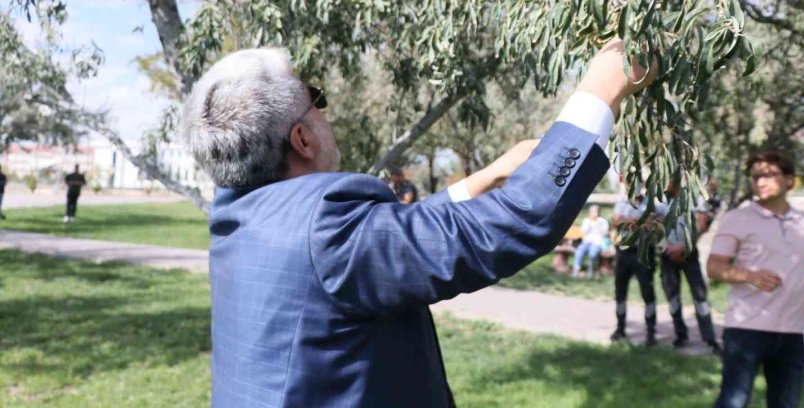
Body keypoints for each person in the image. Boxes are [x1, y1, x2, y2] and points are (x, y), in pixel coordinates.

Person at [183, 38, 653, 407]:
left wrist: (483, 179)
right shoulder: (325, 231)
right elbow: (515, 221)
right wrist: (600, 91)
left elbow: (388, 238)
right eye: (316, 99)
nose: (326, 112)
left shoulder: (237, 217)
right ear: (302, 139)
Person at [708, 151, 804, 408]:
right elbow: (714, 266)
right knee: (733, 402)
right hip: (745, 330)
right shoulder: (738, 218)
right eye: (755, 177)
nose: (760, 182)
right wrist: (749, 276)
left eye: (768, 175)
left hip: (792, 333)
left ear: (790, 180)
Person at [658, 183, 720, 353]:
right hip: (667, 255)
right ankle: (681, 336)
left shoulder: (694, 199)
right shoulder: (660, 200)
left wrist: (683, 247)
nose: (668, 182)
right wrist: (669, 247)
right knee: (672, 297)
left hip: (689, 254)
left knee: (700, 297)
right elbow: (655, 225)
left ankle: (710, 340)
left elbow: (700, 226)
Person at [610, 190, 664, 346]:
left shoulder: (653, 203)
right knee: (620, 292)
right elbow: (615, 222)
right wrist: (641, 221)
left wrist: (629, 222)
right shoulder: (622, 202)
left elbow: (654, 224)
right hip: (624, 252)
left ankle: (651, 332)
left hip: (644, 253)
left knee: (648, 293)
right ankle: (620, 329)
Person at [571, 204, 614, 278]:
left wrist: (597, 224)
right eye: (592, 211)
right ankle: (576, 269)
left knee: (593, 253)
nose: (594, 213)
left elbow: (605, 232)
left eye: (596, 211)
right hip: (586, 242)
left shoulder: (602, 221)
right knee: (579, 251)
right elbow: (583, 231)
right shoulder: (586, 220)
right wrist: (590, 222)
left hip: (597, 242)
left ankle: (590, 270)